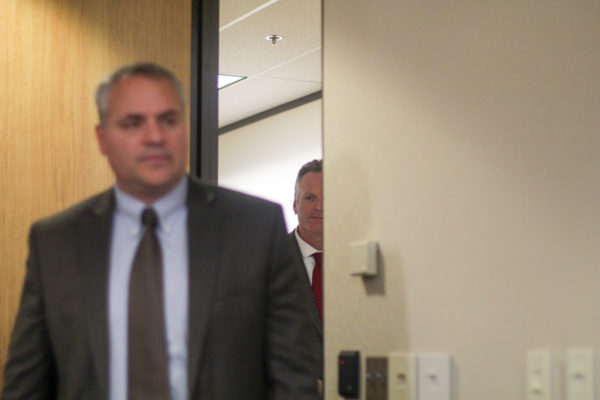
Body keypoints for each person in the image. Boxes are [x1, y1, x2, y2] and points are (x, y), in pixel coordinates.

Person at [1, 63, 319, 400]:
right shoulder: (56, 242)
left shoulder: (255, 228)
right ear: (103, 138)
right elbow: (27, 385)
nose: (154, 136)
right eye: (133, 123)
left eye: (168, 120)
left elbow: (293, 379)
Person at [289, 159, 323, 385]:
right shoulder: (268, 262)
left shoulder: (356, 260)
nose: (319, 207)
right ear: (295, 205)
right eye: (310, 198)